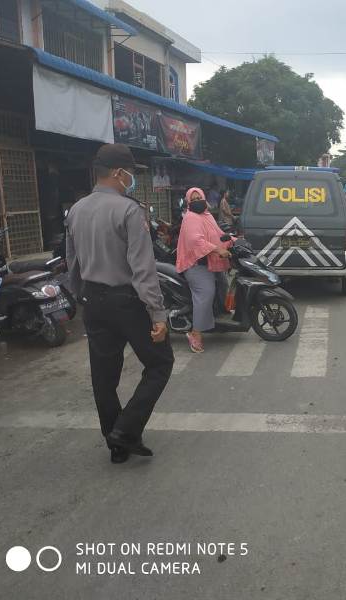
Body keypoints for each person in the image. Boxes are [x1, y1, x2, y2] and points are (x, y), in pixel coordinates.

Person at [65, 143, 174, 464]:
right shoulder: (129, 210)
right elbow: (143, 269)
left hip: (93, 301)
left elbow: (72, 263)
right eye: (130, 173)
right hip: (127, 302)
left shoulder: (76, 210)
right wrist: (157, 313)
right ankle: (126, 431)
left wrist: (79, 299)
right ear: (117, 173)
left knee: (104, 376)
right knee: (160, 363)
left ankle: (115, 443)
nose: (131, 179)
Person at [176, 188, 233, 353]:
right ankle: (195, 333)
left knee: (223, 285)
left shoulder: (207, 216)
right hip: (195, 263)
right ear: (188, 202)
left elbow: (218, 234)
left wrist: (233, 240)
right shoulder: (190, 218)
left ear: (204, 198)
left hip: (208, 261)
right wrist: (218, 250)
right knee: (207, 292)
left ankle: (218, 318)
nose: (196, 201)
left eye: (198, 198)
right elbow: (196, 241)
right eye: (193, 199)